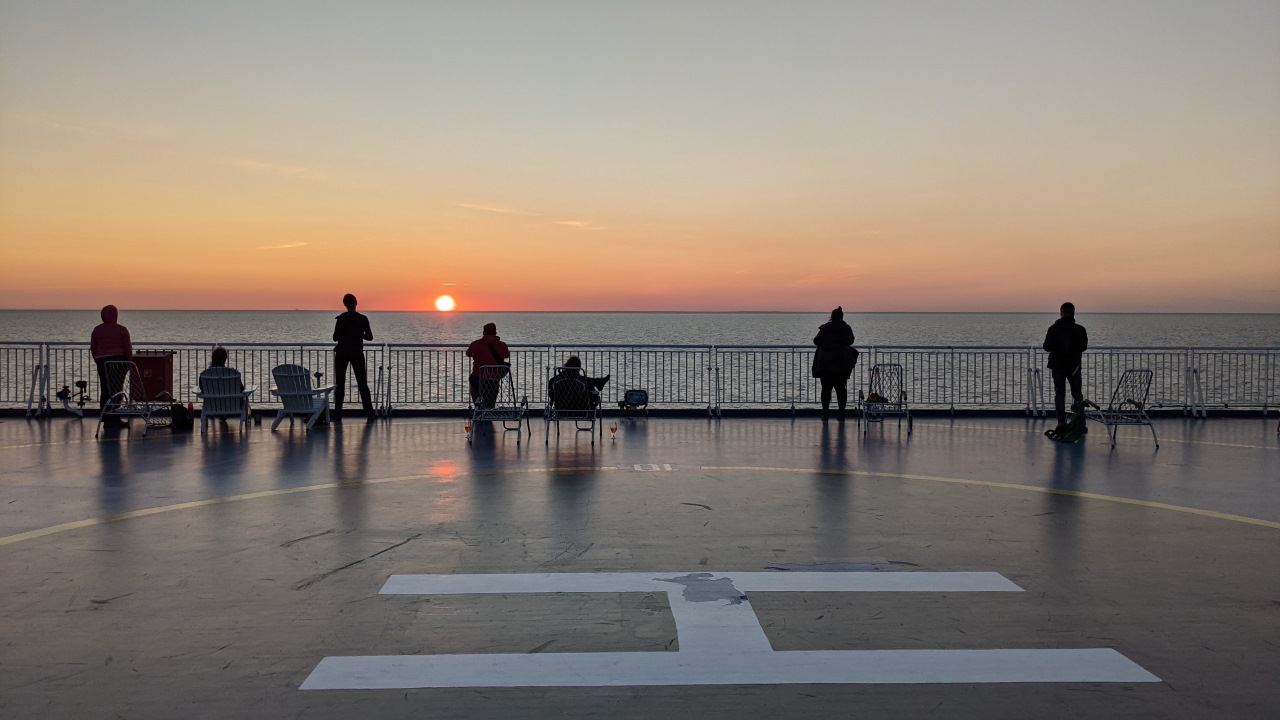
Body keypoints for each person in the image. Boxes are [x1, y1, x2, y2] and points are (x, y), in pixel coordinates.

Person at [1043, 301, 1089, 433]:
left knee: (1060, 394)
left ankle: (1061, 423)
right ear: (1073, 313)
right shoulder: (1080, 329)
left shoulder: (1054, 328)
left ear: (1061, 312)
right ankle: (1080, 423)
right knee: (1077, 395)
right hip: (1074, 367)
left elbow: (1046, 347)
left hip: (1058, 367)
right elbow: (1083, 347)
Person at [332, 293, 375, 420]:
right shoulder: (363, 319)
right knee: (362, 383)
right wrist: (358, 334)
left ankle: (338, 414)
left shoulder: (341, 319)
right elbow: (370, 337)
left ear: (344, 304)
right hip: (357, 353)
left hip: (342, 353)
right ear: (356, 303)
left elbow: (335, 338)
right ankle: (370, 413)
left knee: (340, 384)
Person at [812, 306, 858, 421]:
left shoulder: (825, 328)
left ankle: (825, 414)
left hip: (825, 364)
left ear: (831, 316)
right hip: (842, 364)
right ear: (842, 316)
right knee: (841, 390)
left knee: (826, 390)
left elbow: (816, 341)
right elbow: (851, 340)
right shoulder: (846, 328)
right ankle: (842, 414)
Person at [90, 304, 132, 412]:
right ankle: (115, 415)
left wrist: (97, 360)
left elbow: (93, 348)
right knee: (117, 388)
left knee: (105, 389)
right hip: (119, 362)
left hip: (102, 362)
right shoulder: (122, 330)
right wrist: (129, 362)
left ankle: (105, 414)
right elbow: (127, 348)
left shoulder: (97, 330)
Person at [466, 322, 510, 408]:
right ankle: (489, 408)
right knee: (491, 395)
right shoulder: (502, 345)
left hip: (478, 378)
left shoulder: (475, 344)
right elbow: (507, 355)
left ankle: (477, 407)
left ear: (483, 333)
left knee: (472, 381)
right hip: (494, 379)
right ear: (495, 333)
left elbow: (468, 353)